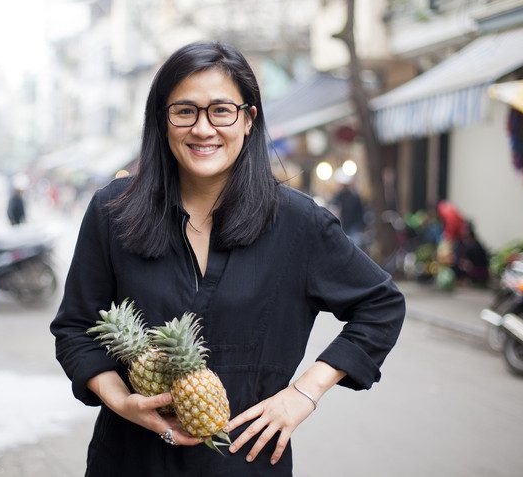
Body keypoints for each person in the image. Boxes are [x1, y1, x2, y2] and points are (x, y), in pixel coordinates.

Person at [50, 42, 405, 476]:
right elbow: (75, 328)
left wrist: (303, 394)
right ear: (162, 122)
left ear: (249, 119)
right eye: (185, 111)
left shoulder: (297, 222)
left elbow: (381, 304)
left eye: (221, 110)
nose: (203, 129)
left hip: (248, 464)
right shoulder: (113, 212)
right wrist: (122, 401)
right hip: (130, 459)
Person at [329, 174, 366, 249]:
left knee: (355, 246)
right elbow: (334, 209)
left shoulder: (354, 197)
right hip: (343, 226)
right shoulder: (338, 197)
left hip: (353, 226)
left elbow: (360, 212)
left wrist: (361, 225)